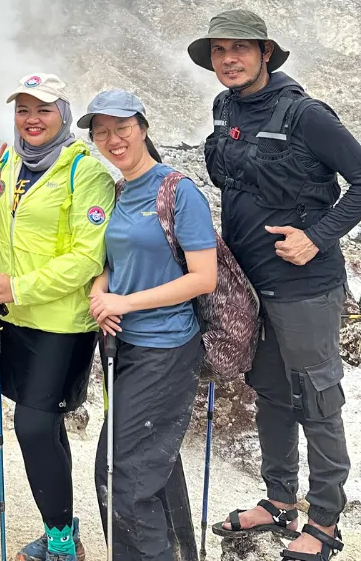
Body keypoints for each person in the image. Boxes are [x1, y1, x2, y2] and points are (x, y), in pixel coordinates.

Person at [189, 11, 359, 560]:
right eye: (219, 51)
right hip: (248, 286)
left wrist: (318, 235)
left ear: (266, 53)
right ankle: (280, 500)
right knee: (270, 396)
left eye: (240, 48)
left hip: (304, 284)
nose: (228, 59)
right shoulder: (223, 110)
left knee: (317, 397)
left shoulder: (306, 114)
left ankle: (326, 521)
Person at [0, 73, 116, 561]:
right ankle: (65, 526)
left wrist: (19, 287)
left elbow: (87, 257)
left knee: (33, 427)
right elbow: (0, 234)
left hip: (60, 323)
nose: (31, 120)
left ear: (63, 113)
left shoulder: (87, 173)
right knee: (46, 426)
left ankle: (60, 539)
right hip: (14, 320)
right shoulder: (11, 163)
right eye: (23, 110)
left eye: (43, 110)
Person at [82, 89, 218, 561]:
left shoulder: (178, 191)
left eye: (121, 128)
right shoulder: (119, 191)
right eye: (102, 131)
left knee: (119, 472)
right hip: (127, 348)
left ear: (142, 127)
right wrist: (101, 288)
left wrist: (127, 301)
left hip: (166, 348)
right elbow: (115, 258)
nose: (113, 139)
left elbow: (204, 278)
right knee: (152, 465)